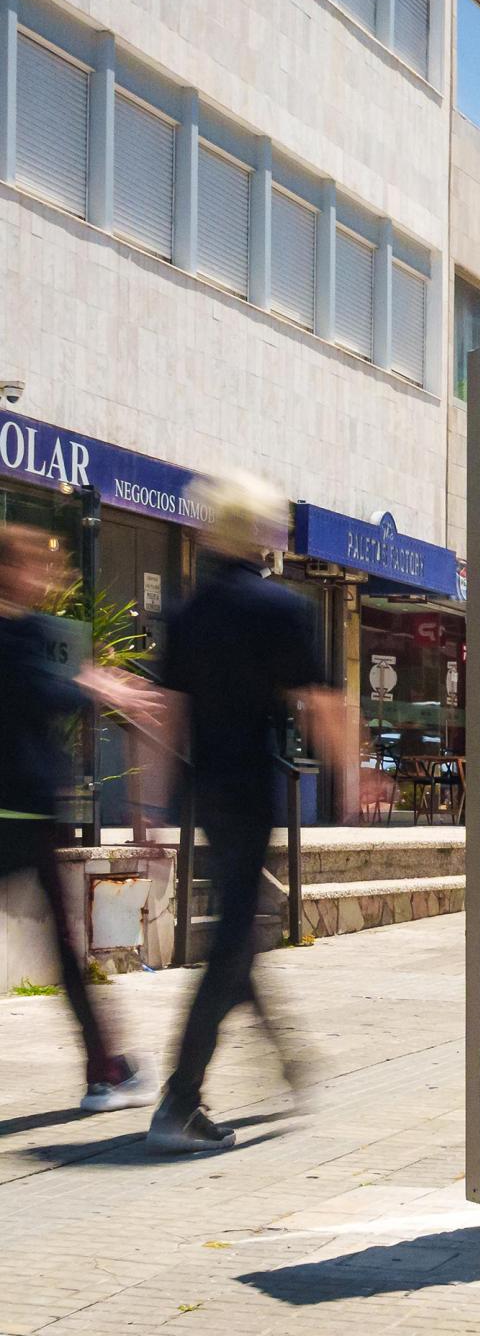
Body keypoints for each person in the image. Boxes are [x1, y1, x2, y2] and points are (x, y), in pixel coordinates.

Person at [146, 474, 350, 1155]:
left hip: (206, 792)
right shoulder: (278, 609)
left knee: (241, 925)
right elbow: (320, 704)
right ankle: (180, 1099)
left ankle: (283, 1059)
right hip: (254, 787)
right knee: (234, 936)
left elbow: (165, 715)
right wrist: (349, 778)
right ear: (262, 535)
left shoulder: (187, 610)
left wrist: (152, 803)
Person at [0, 524, 163, 1111]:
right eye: (40, 565)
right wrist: (96, 690)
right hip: (24, 809)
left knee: (67, 952)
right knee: (67, 952)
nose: (52, 576)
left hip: (22, 807)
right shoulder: (24, 633)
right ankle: (105, 1071)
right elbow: (35, 694)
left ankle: (104, 1068)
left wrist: (90, 684)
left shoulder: (28, 633)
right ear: (13, 569)